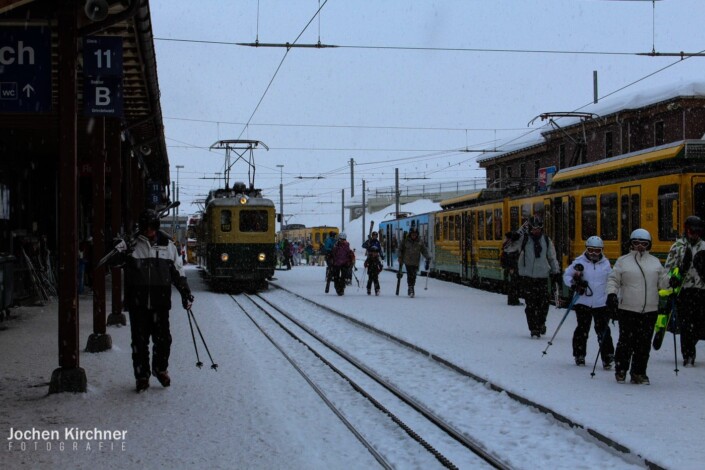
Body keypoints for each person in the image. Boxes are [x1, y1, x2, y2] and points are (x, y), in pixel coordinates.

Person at [114, 208, 194, 393]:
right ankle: (142, 376)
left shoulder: (168, 246)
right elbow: (115, 263)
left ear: (156, 227)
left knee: (163, 340)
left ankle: (160, 369)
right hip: (138, 303)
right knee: (139, 343)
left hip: (160, 303)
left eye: (152, 227)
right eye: (145, 228)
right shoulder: (132, 246)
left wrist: (185, 292)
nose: (149, 231)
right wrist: (119, 247)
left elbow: (178, 272)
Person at [606, 228, 664, 385]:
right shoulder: (623, 261)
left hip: (650, 310)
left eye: (643, 243)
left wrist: (672, 281)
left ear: (648, 245)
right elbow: (613, 280)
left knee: (644, 344)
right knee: (626, 341)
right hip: (628, 309)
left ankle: (639, 372)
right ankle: (621, 369)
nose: (640, 246)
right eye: (636, 243)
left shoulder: (655, 262)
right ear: (631, 244)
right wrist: (612, 294)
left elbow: (663, 282)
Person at [660, 215, 705, 367]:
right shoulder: (677, 247)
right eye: (692, 231)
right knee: (686, 325)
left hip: (701, 291)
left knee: (699, 325)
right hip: (683, 292)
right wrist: (675, 276)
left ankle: (692, 343)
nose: (695, 234)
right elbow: (667, 271)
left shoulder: (704, 247)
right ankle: (688, 355)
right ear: (686, 230)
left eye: (698, 231)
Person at [562, 236, 614, 368]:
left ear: (601, 250)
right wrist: (574, 284)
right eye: (591, 250)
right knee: (582, 328)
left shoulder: (606, 264)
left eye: (597, 251)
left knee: (603, 330)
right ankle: (579, 355)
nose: (594, 254)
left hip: (600, 303)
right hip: (583, 301)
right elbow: (566, 275)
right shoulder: (579, 262)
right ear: (586, 249)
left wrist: (612, 296)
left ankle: (607, 356)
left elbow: (611, 281)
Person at [513, 215, 561, 338]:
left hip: (542, 277)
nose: (536, 231)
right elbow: (508, 248)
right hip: (527, 277)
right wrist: (513, 237)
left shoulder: (546, 240)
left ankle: (541, 323)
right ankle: (534, 328)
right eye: (533, 228)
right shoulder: (523, 239)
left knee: (543, 304)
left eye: (538, 228)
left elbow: (551, 257)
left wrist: (556, 272)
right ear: (529, 228)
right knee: (530, 305)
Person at [398, 227, 432, 298]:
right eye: (413, 234)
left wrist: (427, 257)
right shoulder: (405, 241)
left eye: (415, 234)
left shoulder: (420, 242)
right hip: (408, 261)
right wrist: (400, 257)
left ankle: (411, 287)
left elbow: (424, 250)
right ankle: (411, 288)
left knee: (414, 276)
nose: (414, 236)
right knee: (410, 275)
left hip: (416, 262)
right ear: (410, 234)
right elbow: (400, 249)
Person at [501, 231, 521, 306]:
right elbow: (510, 257)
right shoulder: (510, 246)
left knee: (513, 284)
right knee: (514, 284)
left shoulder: (507, 245)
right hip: (512, 268)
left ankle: (513, 299)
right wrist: (511, 268)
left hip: (511, 267)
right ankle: (513, 300)